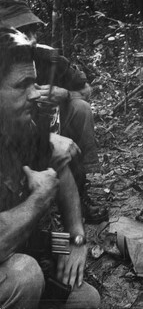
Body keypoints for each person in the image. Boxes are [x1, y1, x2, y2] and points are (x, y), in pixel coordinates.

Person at [0, 27, 100, 308]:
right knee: (25, 276)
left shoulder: (19, 126)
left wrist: (76, 238)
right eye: (22, 85)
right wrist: (38, 200)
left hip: (18, 246)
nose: (35, 94)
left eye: (35, 82)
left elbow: (61, 169)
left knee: (85, 300)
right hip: (11, 259)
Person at [0, 0, 108, 223]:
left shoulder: (48, 56)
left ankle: (82, 189)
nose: (28, 39)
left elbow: (85, 90)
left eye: (31, 30)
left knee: (80, 108)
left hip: (49, 125)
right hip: (13, 135)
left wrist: (65, 94)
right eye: (19, 31)